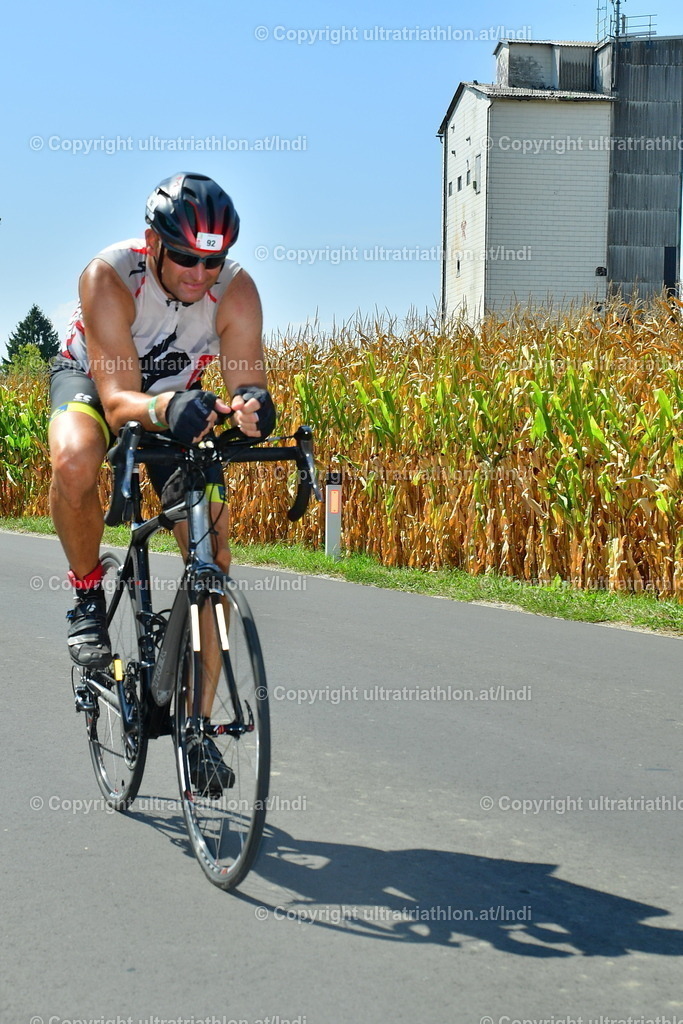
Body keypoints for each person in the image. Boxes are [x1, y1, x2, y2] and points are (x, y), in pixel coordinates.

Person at [48, 171, 276, 790]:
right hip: (97, 384)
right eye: (185, 259)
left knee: (217, 561)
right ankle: (87, 592)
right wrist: (166, 407)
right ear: (153, 242)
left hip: (180, 404)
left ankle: (197, 728)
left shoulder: (236, 291)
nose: (200, 275)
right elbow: (120, 399)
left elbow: (247, 379)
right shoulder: (111, 276)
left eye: (213, 261)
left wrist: (254, 408)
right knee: (74, 459)